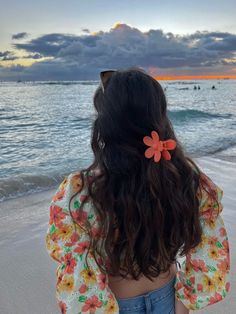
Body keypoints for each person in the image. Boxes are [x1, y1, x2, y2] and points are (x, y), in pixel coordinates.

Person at [45, 67, 230, 314]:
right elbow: (211, 247)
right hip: (171, 299)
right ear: (160, 118)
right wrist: (184, 303)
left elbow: (78, 273)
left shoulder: (81, 192)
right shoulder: (185, 178)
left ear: (106, 125)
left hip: (117, 304)